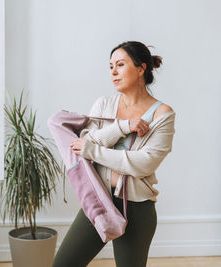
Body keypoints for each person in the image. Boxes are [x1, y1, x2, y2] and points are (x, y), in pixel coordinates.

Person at [52, 41, 176, 267]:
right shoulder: (103, 104)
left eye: (120, 65)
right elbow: (85, 143)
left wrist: (93, 150)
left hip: (138, 208)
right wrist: (123, 126)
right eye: (111, 67)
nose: (113, 72)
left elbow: (143, 164)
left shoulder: (162, 113)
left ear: (141, 69)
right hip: (99, 200)